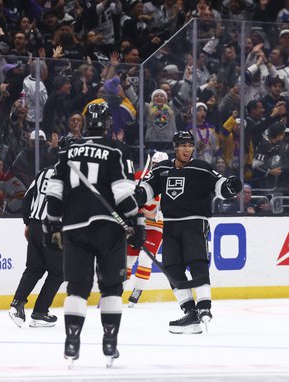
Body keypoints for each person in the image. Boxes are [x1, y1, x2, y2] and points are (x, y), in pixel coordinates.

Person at [45, 102, 145, 368]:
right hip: (109, 228)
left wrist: (52, 222)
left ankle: (71, 341)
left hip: (74, 228)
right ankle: (110, 342)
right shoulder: (114, 150)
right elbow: (123, 194)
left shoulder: (68, 152)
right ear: (108, 125)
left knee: (77, 288)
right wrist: (136, 221)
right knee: (111, 287)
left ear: (85, 123)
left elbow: (54, 191)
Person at [137, 131, 242, 334]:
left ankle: (204, 307)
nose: (187, 149)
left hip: (194, 223)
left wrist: (230, 187)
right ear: (175, 147)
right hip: (170, 225)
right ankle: (190, 312)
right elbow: (147, 190)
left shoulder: (201, 168)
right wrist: (138, 194)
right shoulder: (162, 169)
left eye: (190, 145)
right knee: (171, 268)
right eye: (183, 145)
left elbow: (221, 187)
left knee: (197, 263)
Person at [9, 165, 63, 328]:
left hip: (35, 226)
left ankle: (17, 304)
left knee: (34, 268)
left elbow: (27, 197)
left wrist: (28, 223)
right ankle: (40, 312)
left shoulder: (43, 173)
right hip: (54, 229)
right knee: (58, 272)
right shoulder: (74, 176)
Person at [127, 151, 169, 307]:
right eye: (155, 164)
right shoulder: (139, 176)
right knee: (128, 259)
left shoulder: (170, 181)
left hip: (155, 226)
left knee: (146, 258)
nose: (157, 168)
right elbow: (124, 195)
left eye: (160, 165)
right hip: (135, 223)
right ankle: (117, 291)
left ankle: (137, 291)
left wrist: (155, 213)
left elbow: (173, 208)